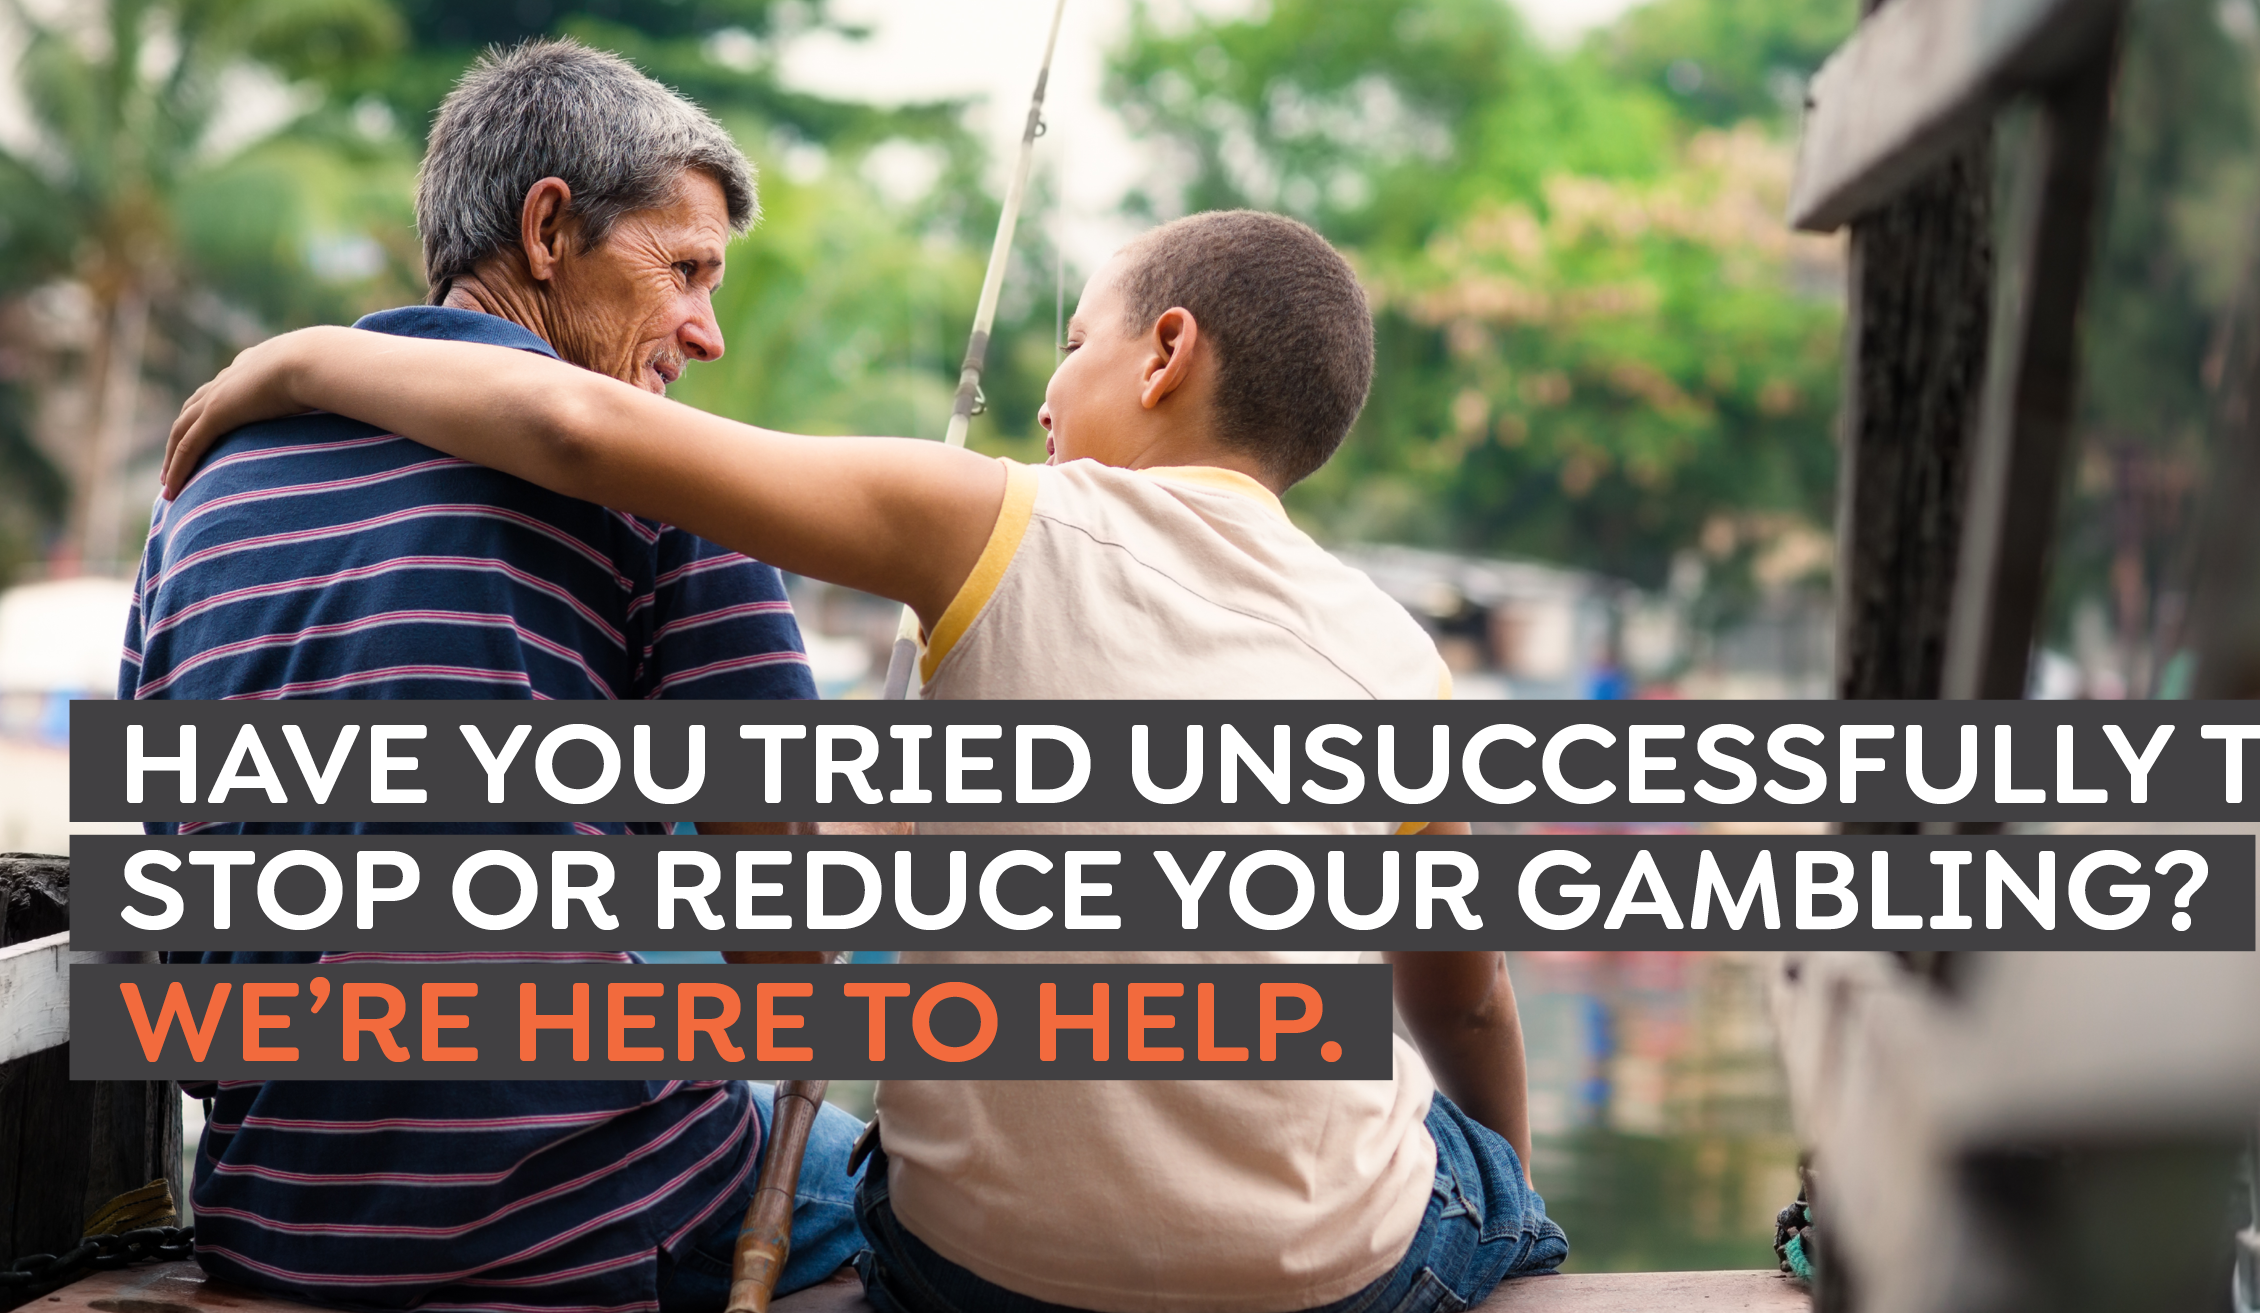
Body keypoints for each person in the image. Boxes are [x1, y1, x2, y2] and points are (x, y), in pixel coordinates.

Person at [163, 209, 1568, 1313]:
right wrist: (1506, 1172)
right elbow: (1470, 1008)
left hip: (979, 1276)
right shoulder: (1392, 650)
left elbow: (579, 427)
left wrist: (285, 363)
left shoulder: (985, 516)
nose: (1042, 399)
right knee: (1479, 1180)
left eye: (1072, 347)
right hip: (1327, 1280)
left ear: (1166, 353)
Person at [124, 40, 862, 1313]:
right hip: (592, 1222)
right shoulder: (665, 474)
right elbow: (786, 945)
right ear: (547, 228)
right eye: (682, 268)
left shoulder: (201, 487)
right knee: (917, 1190)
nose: (706, 328)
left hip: (274, 1216)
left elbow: (167, 942)